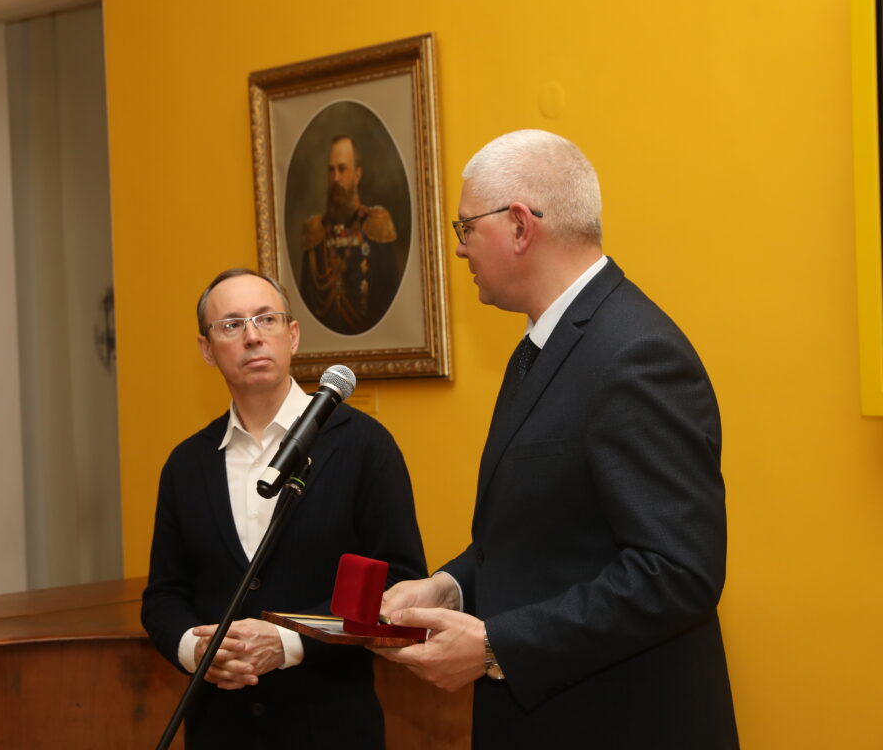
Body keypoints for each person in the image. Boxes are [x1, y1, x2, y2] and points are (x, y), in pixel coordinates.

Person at [373, 130, 738, 748]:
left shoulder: (634, 353)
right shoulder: (547, 344)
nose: (459, 248)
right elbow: (547, 536)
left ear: (520, 226)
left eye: (466, 228)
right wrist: (451, 585)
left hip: (617, 722)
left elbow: (677, 573)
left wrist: (495, 645)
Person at [142, 268, 426, 749]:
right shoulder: (186, 464)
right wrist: (195, 650)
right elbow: (163, 596)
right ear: (207, 349)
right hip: (219, 730)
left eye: (266, 319)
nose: (252, 336)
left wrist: (290, 641)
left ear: (292, 335)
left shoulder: (363, 446)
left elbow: (399, 584)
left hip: (333, 728)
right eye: (231, 325)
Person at [299, 136, 401, 334]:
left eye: (342, 169)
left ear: (357, 175)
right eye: (331, 170)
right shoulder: (315, 233)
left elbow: (389, 301)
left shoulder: (377, 225)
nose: (336, 178)